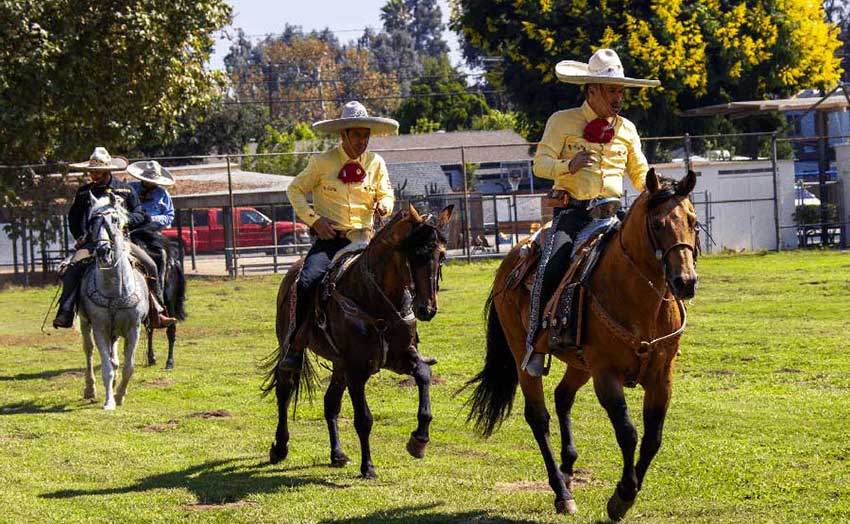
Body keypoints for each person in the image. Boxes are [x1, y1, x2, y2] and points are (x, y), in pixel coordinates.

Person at [523, 48, 660, 377]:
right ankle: (536, 344)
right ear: (592, 89)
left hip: (614, 216)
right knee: (553, 262)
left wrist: (658, 189)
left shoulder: (627, 129)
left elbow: (639, 174)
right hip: (574, 214)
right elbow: (540, 164)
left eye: (621, 91)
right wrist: (567, 165)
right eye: (613, 90)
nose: (619, 97)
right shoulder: (562, 121)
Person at [281, 101, 398, 371]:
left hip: (367, 239)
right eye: (356, 134)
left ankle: (406, 341)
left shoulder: (376, 163)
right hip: (331, 240)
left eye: (366, 134)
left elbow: (386, 193)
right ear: (343, 134)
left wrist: (385, 205)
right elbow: (294, 190)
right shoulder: (321, 162)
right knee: (307, 281)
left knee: (401, 278)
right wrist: (314, 220)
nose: (362, 140)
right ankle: (296, 346)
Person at [53, 147, 175, 329]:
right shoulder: (84, 192)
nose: (93, 175)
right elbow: (74, 218)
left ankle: (156, 311)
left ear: (108, 170)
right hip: (92, 243)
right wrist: (80, 236)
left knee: (150, 265)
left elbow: (140, 214)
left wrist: (125, 220)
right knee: (72, 269)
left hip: (123, 242)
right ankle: (66, 311)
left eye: (97, 171)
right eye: (91, 171)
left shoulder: (125, 190)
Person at [127, 160, 175, 296]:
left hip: (152, 232)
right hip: (130, 229)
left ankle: (159, 290)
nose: (150, 183)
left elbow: (169, 216)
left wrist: (152, 219)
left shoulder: (163, 194)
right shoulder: (130, 189)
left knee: (162, 255)